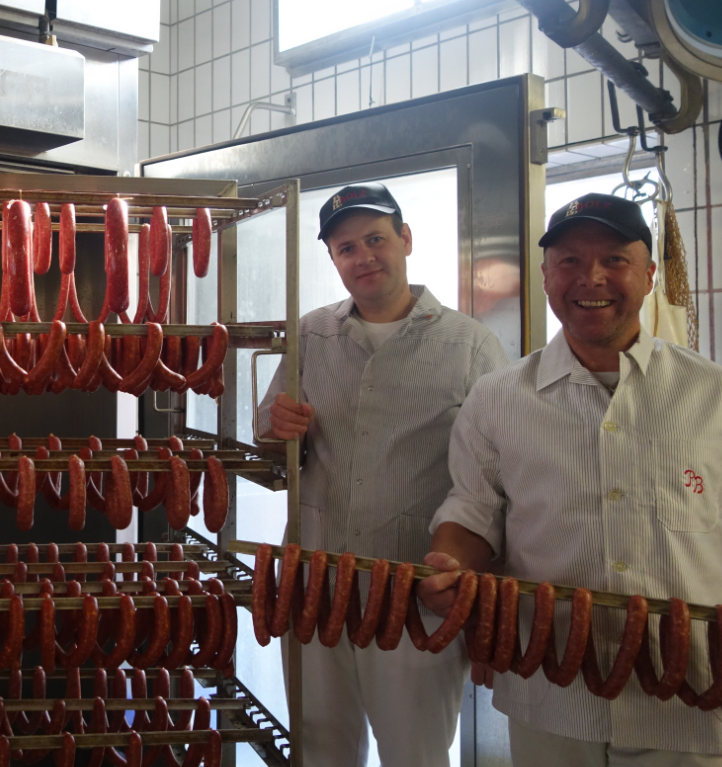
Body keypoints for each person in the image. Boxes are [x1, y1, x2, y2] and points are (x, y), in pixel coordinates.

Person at [420, 193, 722, 765]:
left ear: (650, 273)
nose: (592, 278)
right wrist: (452, 566)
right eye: (569, 261)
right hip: (550, 690)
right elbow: (473, 510)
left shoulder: (712, 395)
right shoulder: (499, 399)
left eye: (614, 259)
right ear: (544, 276)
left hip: (688, 701)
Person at [255, 182, 509, 767]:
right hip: (317, 587)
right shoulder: (310, 335)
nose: (363, 257)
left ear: (406, 240)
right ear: (333, 259)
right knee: (321, 750)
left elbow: (501, 476)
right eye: (346, 248)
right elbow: (271, 438)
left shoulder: (471, 346)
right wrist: (274, 424)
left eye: (375, 239)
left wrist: (489, 604)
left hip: (416, 595)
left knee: (413, 754)